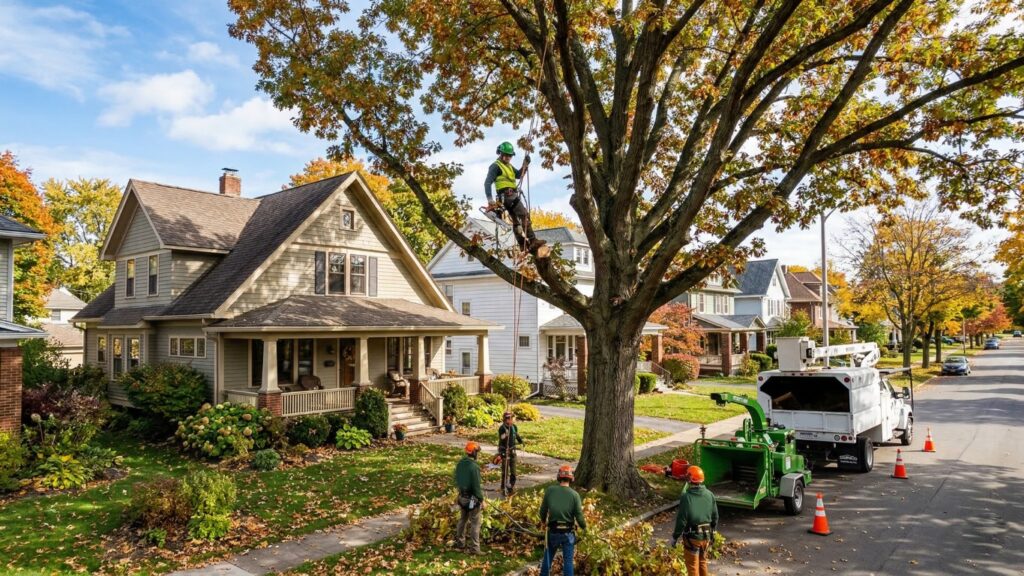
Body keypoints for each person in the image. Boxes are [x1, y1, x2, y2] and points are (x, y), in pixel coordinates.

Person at [484, 141, 546, 255]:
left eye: (510, 156)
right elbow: (487, 183)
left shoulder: (509, 166)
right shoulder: (495, 166)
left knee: (516, 222)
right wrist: (490, 199)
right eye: (506, 155)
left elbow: (519, 175)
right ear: (500, 153)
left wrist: (525, 164)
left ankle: (522, 244)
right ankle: (533, 240)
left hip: (509, 196)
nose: (508, 158)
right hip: (508, 196)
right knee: (524, 215)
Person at [539, 464, 586, 576]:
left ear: (558, 477)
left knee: (548, 556)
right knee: (568, 561)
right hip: (568, 533)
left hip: (553, 531)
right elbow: (579, 515)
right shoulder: (575, 495)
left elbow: (543, 510)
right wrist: (584, 527)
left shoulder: (550, 490)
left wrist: (543, 521)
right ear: (571, 479)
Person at [672, 465, 719, 576]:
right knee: (702, 563)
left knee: (693, 567)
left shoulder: (686, 497)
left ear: (689, 479)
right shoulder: (710, 494)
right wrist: (712, 534)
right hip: (706, 537)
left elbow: (681, 520)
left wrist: (675, 537)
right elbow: (715, 517)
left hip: (692, 538)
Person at [454, 441, 485, 554]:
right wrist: (481, 500)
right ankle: (475, 548)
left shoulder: (460, 463)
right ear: (474, 452)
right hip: (472, 499)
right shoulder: (474, 467)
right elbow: (476, 487)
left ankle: (460, 543)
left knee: (462, 520)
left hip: (462, 497)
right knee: (475, 522)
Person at [498, 411, 525, 495]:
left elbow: (516, 435)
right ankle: (503, 487)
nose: (511, 421)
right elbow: (501, 437)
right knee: (505, 471)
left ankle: (511, 486)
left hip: (512, 452)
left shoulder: (514, 427)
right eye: (510, 419)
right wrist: (505, 435)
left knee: (513, 472)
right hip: (505, 452)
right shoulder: (502, 428)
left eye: (512, 419)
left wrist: (521, 441)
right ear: (506, 419)